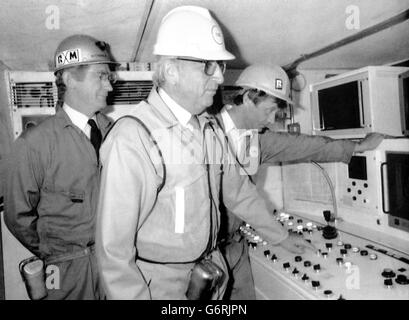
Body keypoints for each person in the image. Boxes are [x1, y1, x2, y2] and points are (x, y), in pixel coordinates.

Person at [96, 6, 314, 300]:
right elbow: (113, 252)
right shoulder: (133, 137)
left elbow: (238, 192)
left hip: (211, 276)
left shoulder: (208, 128)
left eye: (220, 66)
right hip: (161, 288)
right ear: (172, 70)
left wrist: (281, 236)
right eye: (208, 66)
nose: (220, 78)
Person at [215, 64, 384, 300]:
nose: (273, 119)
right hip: (207, 254)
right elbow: (237, 196)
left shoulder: (253, 138)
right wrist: (281, 237)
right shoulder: (206, 133)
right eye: (270, 110)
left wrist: (357, 146)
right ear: (248, 97)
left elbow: (301, 145)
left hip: (236, 246)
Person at [3, 34, 117, 299]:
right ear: (68, 78)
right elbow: (17, 216)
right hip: (64, 275)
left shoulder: (116, 134)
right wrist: (56, 254)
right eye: (100, 76)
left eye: (109, 78)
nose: (109, 87)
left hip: (113, 267)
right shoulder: (35, 143)